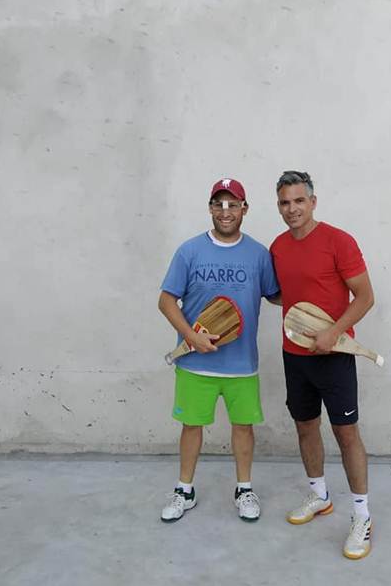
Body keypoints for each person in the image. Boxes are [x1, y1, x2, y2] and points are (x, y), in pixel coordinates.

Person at [158, 177, 280, 523]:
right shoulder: (190, 251)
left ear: (244, 209)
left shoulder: (258, 254)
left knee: (243, 427)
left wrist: (317, 290)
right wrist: (191, 336)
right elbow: (166, 301)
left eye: (232, 204)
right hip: (195, 364)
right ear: (211, 208)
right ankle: (185, 490)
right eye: (218, 204)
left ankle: (244, 489)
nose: (225, 212)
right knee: (191, 427)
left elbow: (276, 294)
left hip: (242, 365)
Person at [270, 171, 376, 560]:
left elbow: (365, 297)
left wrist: (333, 331)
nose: (292, 209)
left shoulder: (339, 241)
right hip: (294, 356)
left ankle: (362, 516)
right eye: (285, 202)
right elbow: (282, 293)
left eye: (299, 200)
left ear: (313, 202)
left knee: (346, 434)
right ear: (279, 206)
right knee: (305, 426)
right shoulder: (278, 247)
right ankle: (320, 496)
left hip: (335, 358)